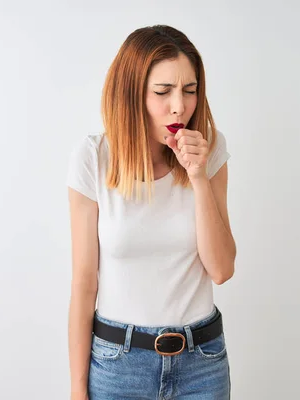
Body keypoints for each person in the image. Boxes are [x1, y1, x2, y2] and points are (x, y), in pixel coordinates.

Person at [66, 24, 237, 400]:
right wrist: (78, 390)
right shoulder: (94, 158)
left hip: (201, 365)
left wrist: (198, 177)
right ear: (132, 94)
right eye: (163, 91)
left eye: (190, 90)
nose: (179, 105)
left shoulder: (209, 151)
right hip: (117, 367)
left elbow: (222, 269)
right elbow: (84, 284)